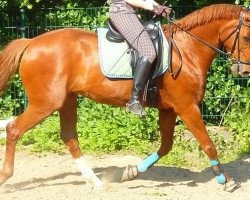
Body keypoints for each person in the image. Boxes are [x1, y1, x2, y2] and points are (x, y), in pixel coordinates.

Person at [109, 0, 171, 116]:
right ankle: (134, 99)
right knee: (148, 52)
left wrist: (157, 5)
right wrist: (151, 7)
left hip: (131, 14)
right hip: (122, 13)